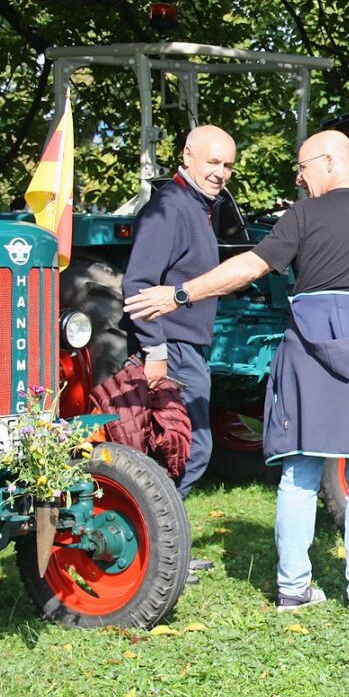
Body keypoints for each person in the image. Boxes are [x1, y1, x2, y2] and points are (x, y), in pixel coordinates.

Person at [124, 130, 349, 613]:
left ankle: (293, 589)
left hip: (307, 353)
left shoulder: (303, 216)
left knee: (301, 470)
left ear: (329, 163)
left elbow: (249, 267)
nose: (299, 177)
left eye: (304, 167)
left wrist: (179, 294)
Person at [122, 124, 236, 582]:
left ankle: (163, 547)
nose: (220, 173)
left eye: (228, 166)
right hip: (173, 350)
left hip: (188, 348)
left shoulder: (199, 206)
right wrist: (155, 349)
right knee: (189, 449)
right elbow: (137, 284)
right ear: (188, 155)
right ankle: (156, 549)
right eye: (213, 162)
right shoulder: (170, 205)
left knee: (182, 450)